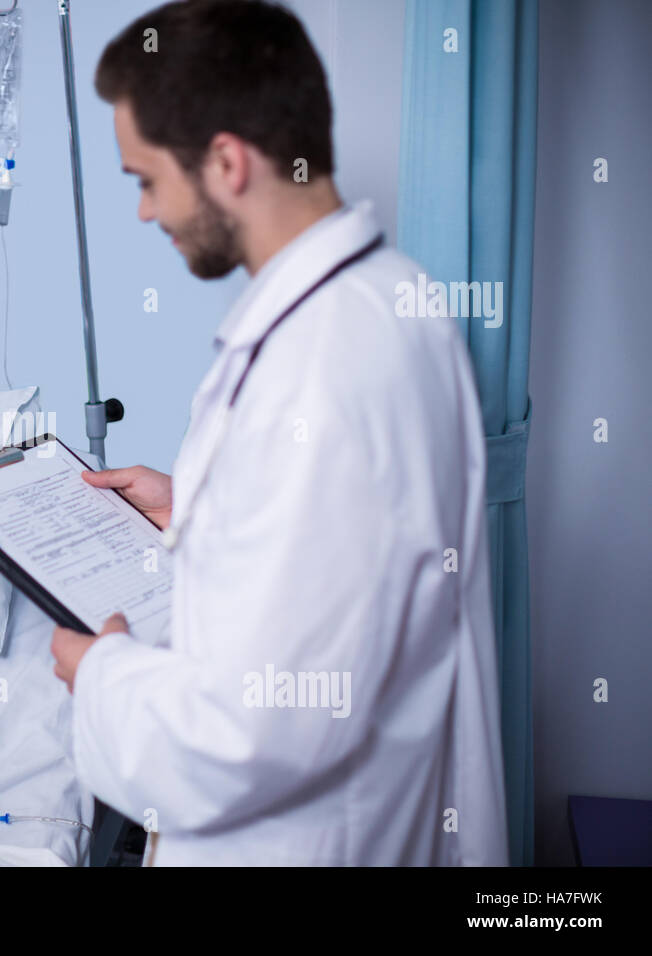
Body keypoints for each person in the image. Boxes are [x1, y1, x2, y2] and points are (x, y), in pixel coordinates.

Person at [49, 0, 508, 866]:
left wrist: (101, 673)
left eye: (146, 179)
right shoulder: (385, 301)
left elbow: (251, 731)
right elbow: (348, 559)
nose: (145, 213)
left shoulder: (327, 358)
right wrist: (195, 514)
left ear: (225, 162)